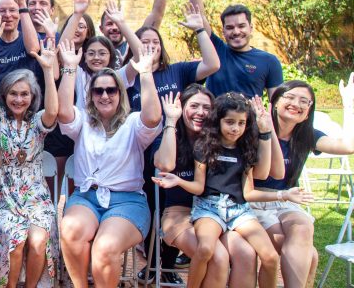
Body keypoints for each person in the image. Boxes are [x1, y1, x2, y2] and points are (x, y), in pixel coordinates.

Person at [153, 93, 304, 288]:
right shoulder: (205, 146)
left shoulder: (246, 148)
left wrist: (283, 194)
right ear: (219, 121)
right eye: (230, 122)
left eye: (241, 123)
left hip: (238, 209)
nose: (235, 128)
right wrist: (179, 180)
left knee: (269, 257)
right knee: (207, 250)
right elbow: (198, 187)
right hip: (209, 207)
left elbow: (251, 188)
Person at [125, 4, 220, 284]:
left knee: (174, 205)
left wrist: (201, 29)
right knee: (154, 211)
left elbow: (213, 64)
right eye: (143, 42)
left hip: (180, 153)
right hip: (140, 156)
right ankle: (152, 265)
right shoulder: (131, 78)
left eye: (155, 41)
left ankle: (165, 265)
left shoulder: (177, 72)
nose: (150, 46)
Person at [57, 40, 162, 288]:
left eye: (111, 90)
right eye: (98, 91)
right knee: (70, 229)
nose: (105, 95)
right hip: (86, 198)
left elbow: (154, 117)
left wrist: (146, 73)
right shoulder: (83, 122)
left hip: (127, 201)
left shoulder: (133, 123)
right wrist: (70, 68)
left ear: (120, 93)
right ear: (91, 96)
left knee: (105, 247)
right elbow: (62, 112)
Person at [250, 76, 354, 288]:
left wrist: (349, 105)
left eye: (304, 101)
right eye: (290, 97)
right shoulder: (255, 129)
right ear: (276, 101)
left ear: (308, 110)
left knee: (303, 229)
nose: (296, 104)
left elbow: (348, 146)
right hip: (254, 199)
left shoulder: (306, 136)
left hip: (286, 201)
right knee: (311, 255)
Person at [0, 14, 60, 287]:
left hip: (37, 199)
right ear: (6, 96)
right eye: (13, 93)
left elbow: (53, 110)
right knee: (16, 241)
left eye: (24, 94)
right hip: (5, 201)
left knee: (38, 241)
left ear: (32, 97)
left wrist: (48, 71)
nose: (18, 99)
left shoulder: (38, 123)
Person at [151, 85, 258, 287]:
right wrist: (171, 121)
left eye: (206, 107)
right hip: (179, 214)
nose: (200, 112)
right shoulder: (169, 136)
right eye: (194, 106)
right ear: (182, 108)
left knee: (246, 254)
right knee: (217, 258)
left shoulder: (222, 140)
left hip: (219, 212)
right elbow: (164, 165)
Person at [189, 0, 283, 99]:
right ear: (223, 31)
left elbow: (276, 103)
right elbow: (198, 17)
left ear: (251, 28)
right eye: (230, 27)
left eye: (241, 26)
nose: (236, 31)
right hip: (215, 119)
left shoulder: (269, 61)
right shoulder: (216, 51)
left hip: (249, 120)